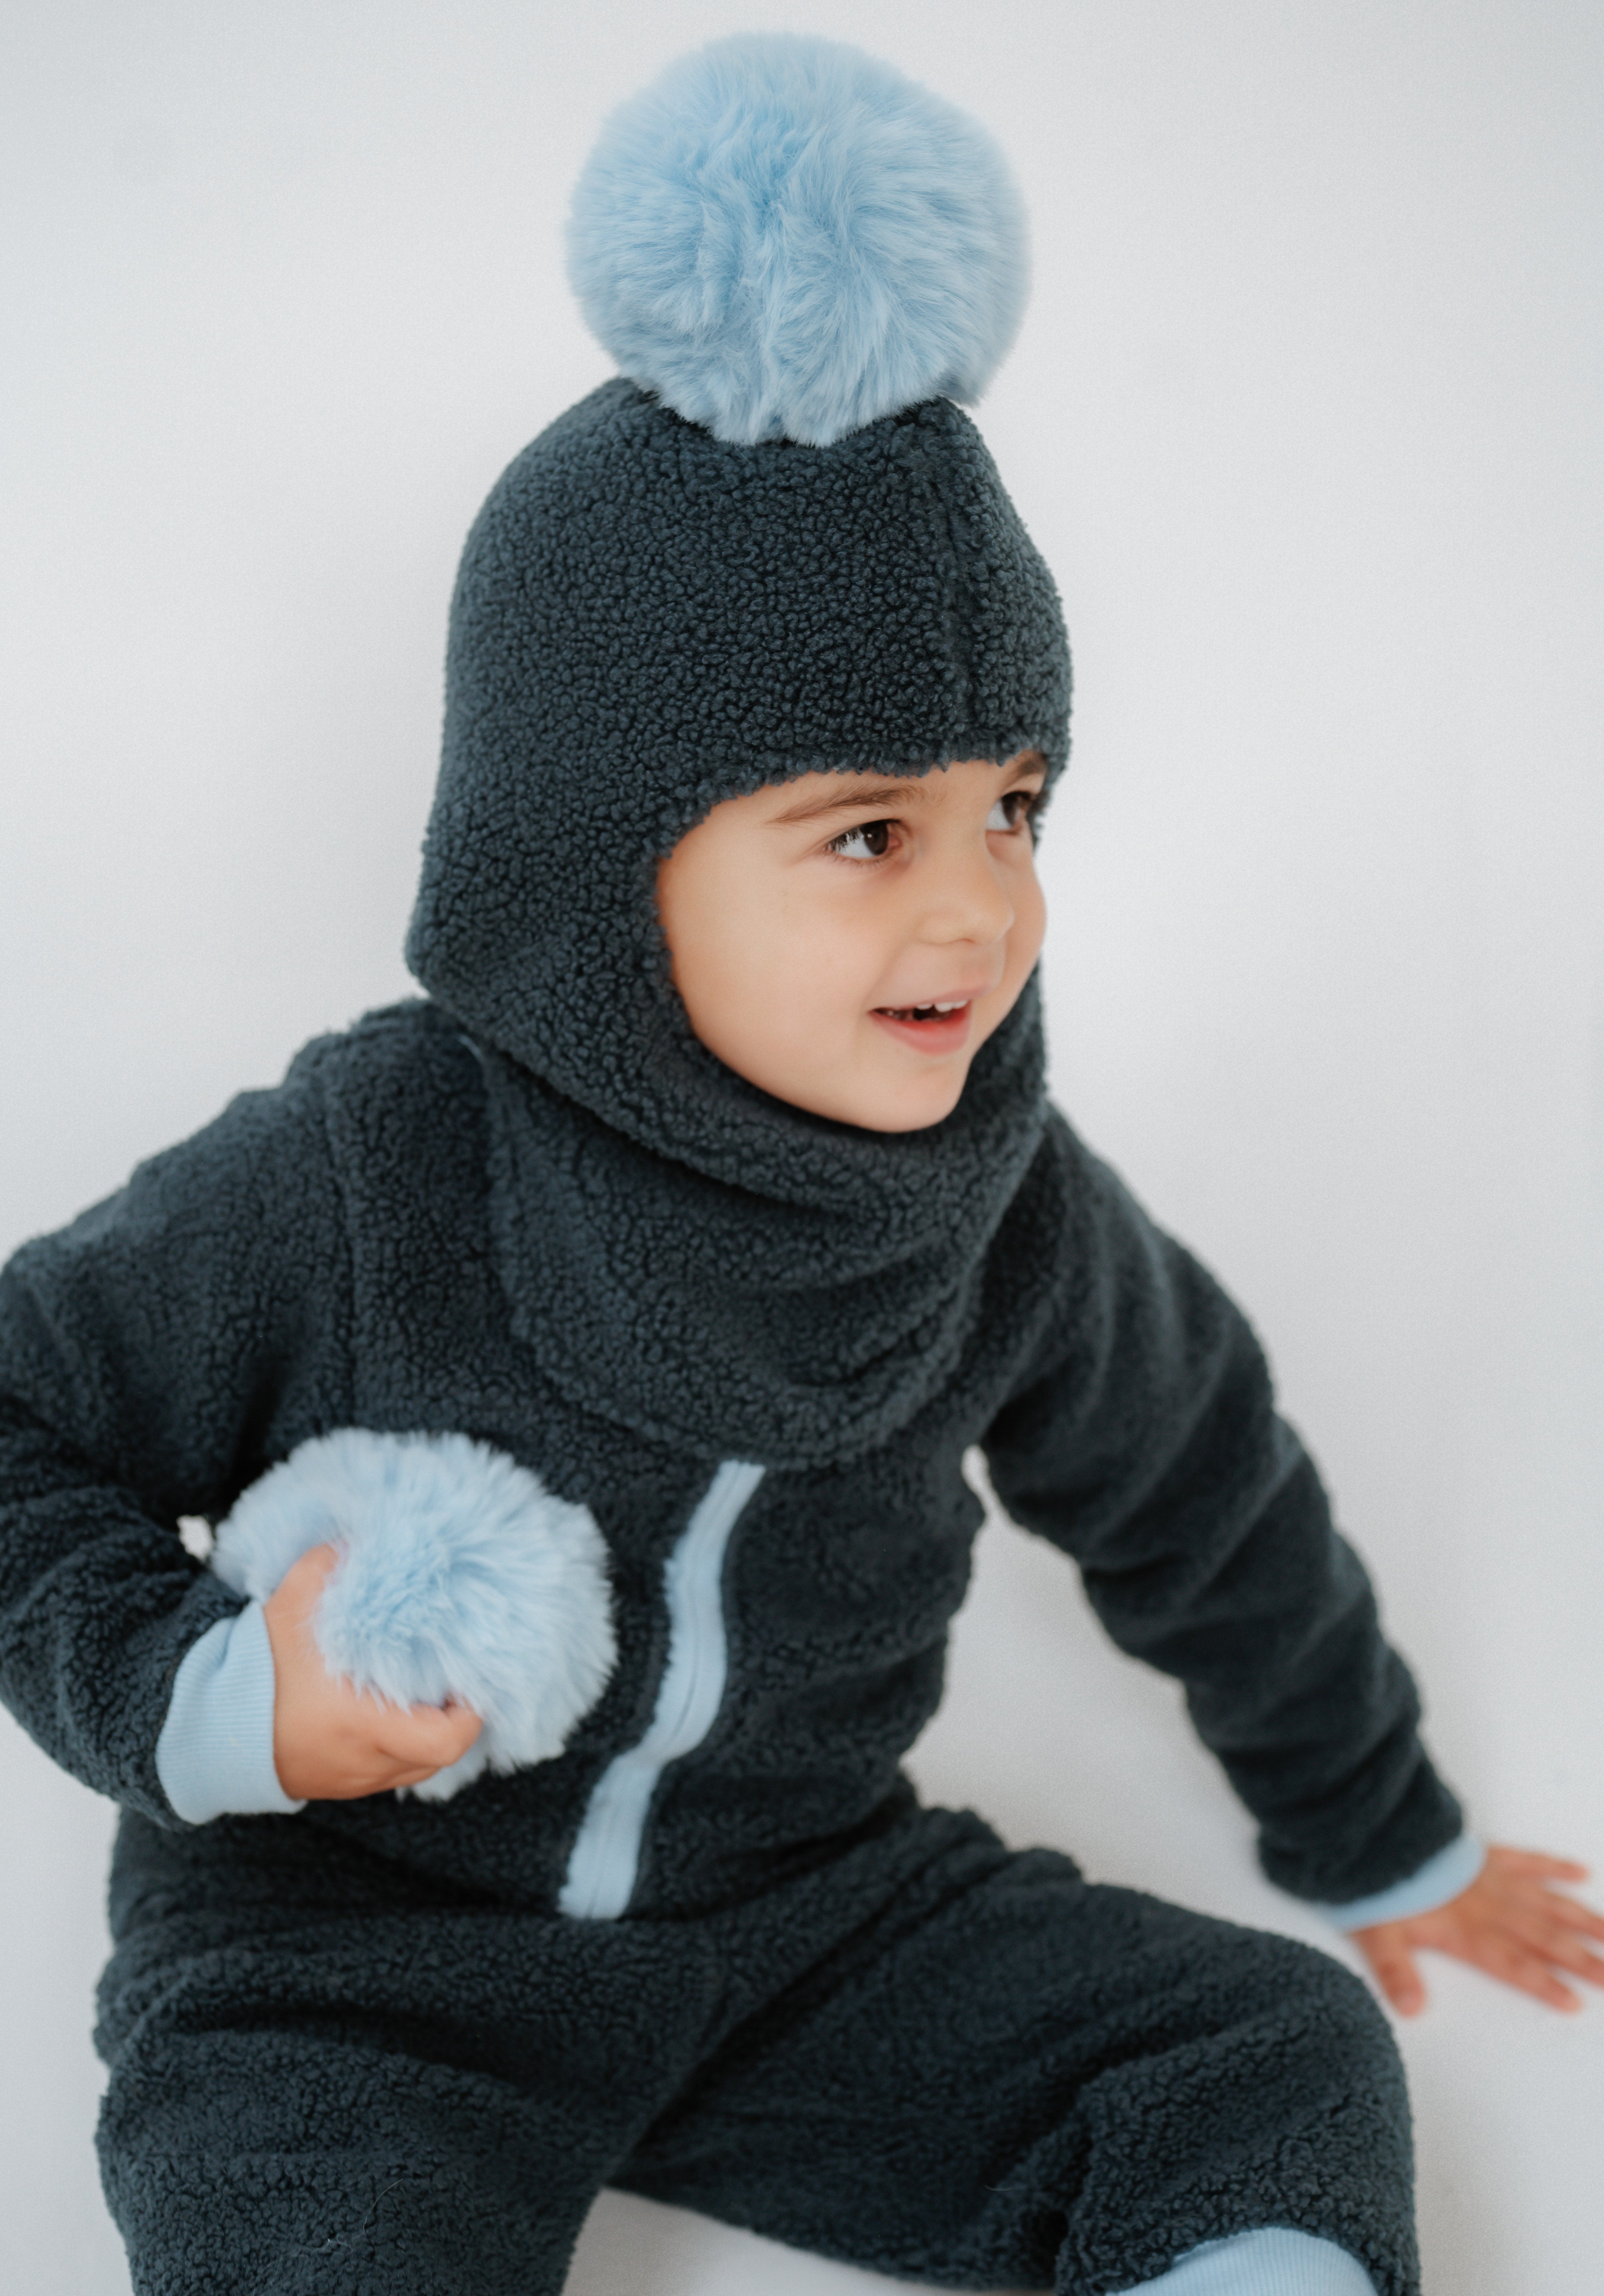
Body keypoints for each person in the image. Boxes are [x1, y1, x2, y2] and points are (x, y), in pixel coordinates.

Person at [0, 33, 1597, 2296]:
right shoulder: (369, 1164)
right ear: (599, 865)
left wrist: (1378, 1834)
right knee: (311, 2230)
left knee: (1264, 2055)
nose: (982, 911)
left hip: (807, 1931)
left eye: (1011, 807)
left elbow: (1203, 1491)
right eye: (865, 834)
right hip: (350, 1963)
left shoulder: (1008, 1208)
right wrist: (204, 1689)